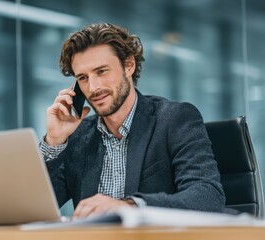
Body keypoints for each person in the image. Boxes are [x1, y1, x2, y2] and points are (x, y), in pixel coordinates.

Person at [39, 22, 225, 219]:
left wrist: (131, 206)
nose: (93, 87)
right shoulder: (79, 136)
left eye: (101, 71)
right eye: (83, 78)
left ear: (129, 65)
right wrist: (54, 141)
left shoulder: (175, 119)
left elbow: (208, 196)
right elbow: (39, 206)